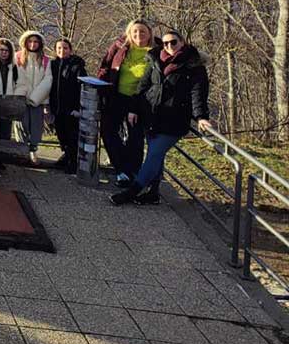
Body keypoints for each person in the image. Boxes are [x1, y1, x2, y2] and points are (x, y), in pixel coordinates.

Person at [111, 30, 210, 206]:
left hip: (175, 120)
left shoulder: (194, 66)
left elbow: (198, 94)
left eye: (173, 42)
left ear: (182, 42)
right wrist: (134, 108)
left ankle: (132, 192)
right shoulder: (155, 59)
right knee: (155, 155)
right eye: (165, 43)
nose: (169, 46)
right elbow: (143, 85)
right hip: (151, 116)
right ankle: (153, 193)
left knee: (154, 154)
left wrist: (201, 116)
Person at [97, 20, 154, 185]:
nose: (138, 35)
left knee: (135, 137)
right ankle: (121, 169)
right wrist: (101, 87)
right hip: (117, 96)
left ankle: (133, 172)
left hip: (140, 100)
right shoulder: (120, 47)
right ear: (129, 33)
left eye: (142, 31)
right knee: (108, 131)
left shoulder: (156, 52)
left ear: (149, 33)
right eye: (134, 31)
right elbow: (105, 66)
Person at [14, 31, 53, 160]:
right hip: (21, 99)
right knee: (21, 126)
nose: (32, 44)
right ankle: (21, 151)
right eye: (30, 41)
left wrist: (36, 97)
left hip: (38, 100)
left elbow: (47, 80)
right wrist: (20, 95)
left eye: (35, 41)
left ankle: (33, 150)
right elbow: (14, 77)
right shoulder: (17, 57)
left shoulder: (46, 60)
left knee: (36, 127)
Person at [49, 38, 87, 174]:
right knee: (61, 135)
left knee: (72, 136)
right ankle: (66, 156)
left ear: (70, 50)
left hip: (71, 108)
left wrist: (78, 108)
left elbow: (82, 88)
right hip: (57, 107)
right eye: (59, 48)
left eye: (65, 48)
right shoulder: (52, 65)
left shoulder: (77, 66)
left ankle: (73, 162)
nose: (62, 51)